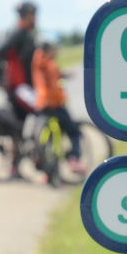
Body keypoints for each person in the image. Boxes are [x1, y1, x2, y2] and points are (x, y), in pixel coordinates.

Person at [0, 1, 38, 175]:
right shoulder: (17, 33)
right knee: (39, 112)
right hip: (17, 87)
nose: (36, 18)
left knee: (20, 126)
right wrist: (0, 78)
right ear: (27, 16)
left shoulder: (26, 33)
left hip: (25, 86)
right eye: (33, 14)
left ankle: (16, 164)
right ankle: (23, 161)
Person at [32, 39, 86, 175]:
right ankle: (74, 158)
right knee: (74, 131)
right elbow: (51, 78)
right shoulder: (48, 62)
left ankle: (47, 171)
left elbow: (52, 76)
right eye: (55, 48)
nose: (57, 51)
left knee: (48, 137)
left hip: (42, 103)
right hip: (54, 102)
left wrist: (63, 75)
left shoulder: (38, 61)